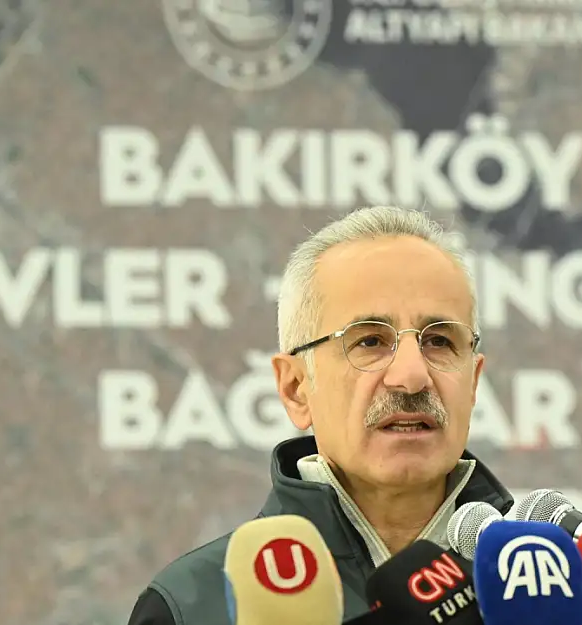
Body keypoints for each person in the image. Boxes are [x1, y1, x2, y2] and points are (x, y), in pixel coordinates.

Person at [127, 205, 514, 625]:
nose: (412, 376)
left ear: (473, 383)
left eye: (439, 341)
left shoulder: (554, 587)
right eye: (369, 341)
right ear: (295, 388)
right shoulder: (192, 606)